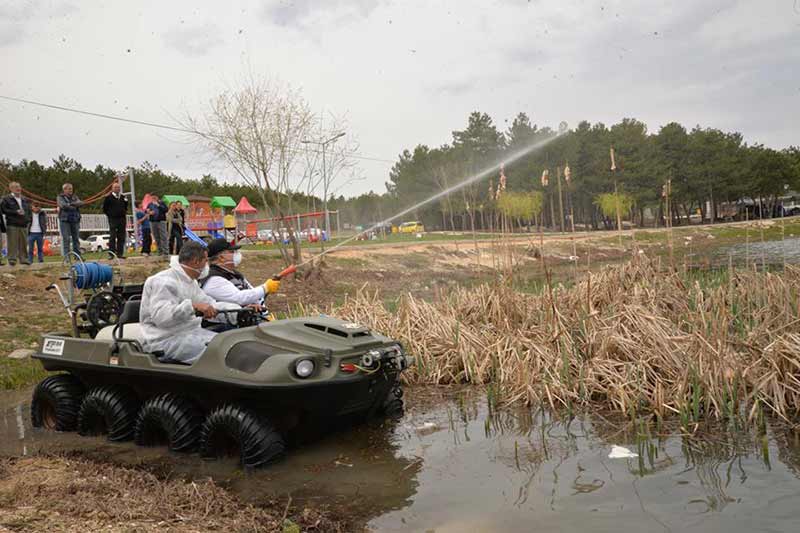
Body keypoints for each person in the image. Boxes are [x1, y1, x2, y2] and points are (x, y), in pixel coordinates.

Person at [140, 241, 237, 364]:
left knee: (229, 345)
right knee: (220, 353)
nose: (207, 265)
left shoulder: (190, 282)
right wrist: (192, 307)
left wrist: (238, 311)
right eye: (205, 260)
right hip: (164, 339)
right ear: (196, 261)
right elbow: (162, 317)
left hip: (188, 334)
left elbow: (209, 304)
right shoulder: (164, 281)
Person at [200, 238, 280, 307]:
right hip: (225, 323)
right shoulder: (213, 279)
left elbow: (250, 292)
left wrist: (255, 303)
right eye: (232, 252)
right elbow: (239, 298)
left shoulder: (235, 274)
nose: (237, 254)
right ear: (221, 257)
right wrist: (265, 288)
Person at [0, 181, 32, 266]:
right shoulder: (6, 199)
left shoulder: (25, 199)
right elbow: (3, 210)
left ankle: (24, 259)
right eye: (15, 187)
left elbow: (29, 210)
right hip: (12, 223)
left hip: (23, 224)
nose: (18, 188)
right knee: (12, 243)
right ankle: (12, 259)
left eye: (19, 186)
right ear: (11, 189)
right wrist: (15, 212)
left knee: (24, 243)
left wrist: (28, 219)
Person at [102, 180, 129, 258]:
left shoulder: (123, 197)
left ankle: (120, 253)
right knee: (112, 236)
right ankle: (111, 254)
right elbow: (105, 208)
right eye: (115, 187)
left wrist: (123, 213)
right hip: (113, 219)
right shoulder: (108, 197)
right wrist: (110, 215)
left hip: (122, 219)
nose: (117, 189)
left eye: (118, 187)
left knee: (121, 236)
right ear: (112, 189)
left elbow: (126, 207)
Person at [57, 183, 83, 258]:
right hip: (65, 220)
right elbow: (63, 205)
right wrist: (74, 205)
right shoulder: (60, 197)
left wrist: (70, 204)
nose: (71, 190)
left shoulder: (75, 197)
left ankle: (77, 256)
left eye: (71, 188)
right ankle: (67, 257)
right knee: (66, 239)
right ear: (64, 190)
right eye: (69, 189)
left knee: (76, 238)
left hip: (75, 220)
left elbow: (81, 203)